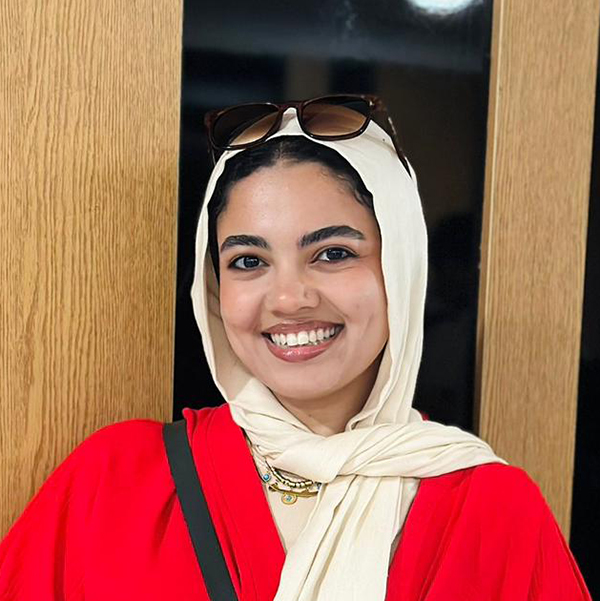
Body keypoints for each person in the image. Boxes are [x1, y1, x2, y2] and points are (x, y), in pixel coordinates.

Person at [0, 95, 591, 600]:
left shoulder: (493, 511)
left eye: (333, 253)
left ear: (402, 269)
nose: (288, 299)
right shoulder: (115, 482)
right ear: (215, 287)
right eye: (248, 261)